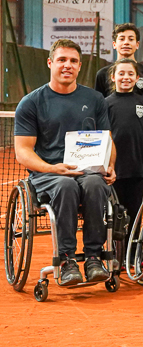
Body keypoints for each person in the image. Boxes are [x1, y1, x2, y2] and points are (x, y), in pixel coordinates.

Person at [14, 39, 117, 285]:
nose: (67, 65)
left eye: (72, 61)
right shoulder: (31, 103)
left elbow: (107, 140)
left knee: (94, 185)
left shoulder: (95, 99)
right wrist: (52, 168)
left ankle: (93, 257)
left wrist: (110, 164)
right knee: (66, 186)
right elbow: (23, 151)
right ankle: (68, 258)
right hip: (49, 175)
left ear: (79, 66)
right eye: (61, 60)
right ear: (50, 63)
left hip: (87, 171)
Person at [105, 58, 143, 231]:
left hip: (137, 169)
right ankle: (112, 251)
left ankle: (132, 253)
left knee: (134, 213)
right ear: (113, 77)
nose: (126, 77)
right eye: (121, 73)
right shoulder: (105, 104)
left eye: (130, 74)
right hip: (113, 170)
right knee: (113, 213)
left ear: (137, 78)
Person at [94, 23, 143, 96]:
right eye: (122, 39)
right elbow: (99, 104)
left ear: (137, 45)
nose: (126, 42)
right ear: (114, 44)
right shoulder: (102, 74)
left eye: (131, 39)